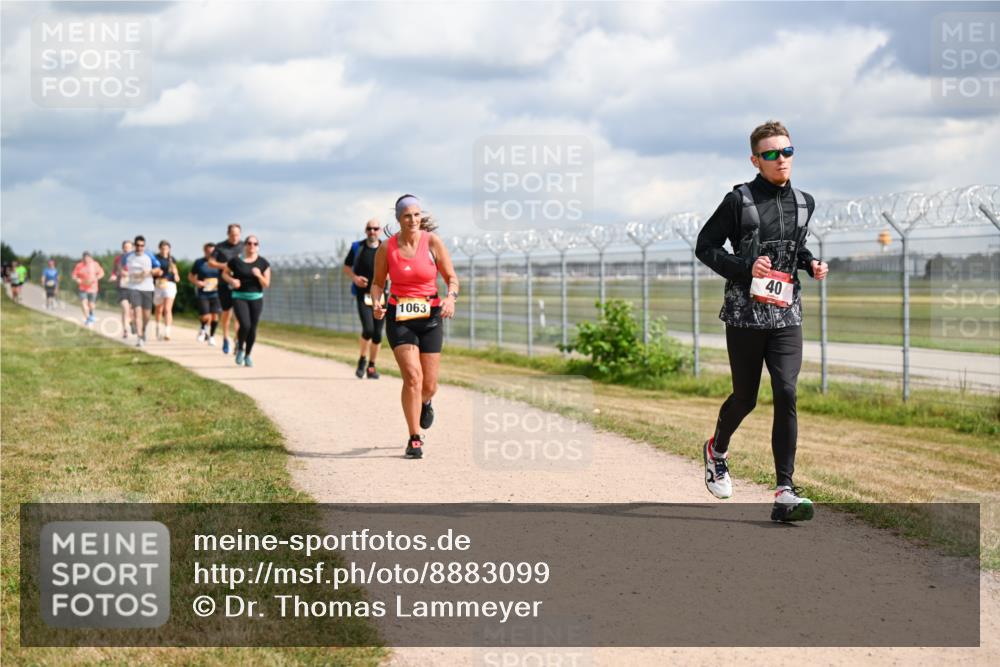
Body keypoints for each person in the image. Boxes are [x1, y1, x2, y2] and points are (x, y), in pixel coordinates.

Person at [695, 120, 829, 523]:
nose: (781, 159)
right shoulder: (739, 200)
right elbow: (706, 246)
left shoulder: (805, 202)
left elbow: (796, 245)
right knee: (746, 397)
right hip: (745, 313)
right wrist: (745, 268)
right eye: (771, 154)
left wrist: (810, 264)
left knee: (786, 391)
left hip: (787, 313)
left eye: (787, 152)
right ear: (755, 160)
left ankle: (785, 491)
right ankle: (717, 451)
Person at [371, 195, 459, 459]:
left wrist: (450, 298)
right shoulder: (387, 248)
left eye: (417, 215)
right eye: (407, 215)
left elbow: (451, 278)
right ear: (398, 219)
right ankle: (414, 437)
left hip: (430, 317)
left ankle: (425, 402)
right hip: (400, 316)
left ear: (422, 217)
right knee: (412, 377)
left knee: (429, 385)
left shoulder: (432, 243)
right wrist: (377, 302)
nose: (413, 220)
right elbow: (377, 283)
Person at [343, 219, 386, 379]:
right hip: (364, 295)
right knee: (368, 329)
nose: (372, 231)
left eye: (375, 228)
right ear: (365, 230)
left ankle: (372, 367)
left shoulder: (385, 247)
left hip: (382, 295)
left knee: (377, 334)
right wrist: (355, 278)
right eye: (369, 228)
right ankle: (362, 359)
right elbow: (346, 267)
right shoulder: (357, 247)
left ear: (380, 230)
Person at [223, 234, 270, 367]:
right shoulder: (235, 261)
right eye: (249, 243)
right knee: (245, 325)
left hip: (256, 297)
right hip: (239, 296)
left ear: (258, 247)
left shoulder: (263, 263)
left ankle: (248, 354)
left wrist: (259, 275)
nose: (252, 246)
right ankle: (240, 349)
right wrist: (231, 280)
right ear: (245, 245)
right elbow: (224, 273)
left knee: (253, 328)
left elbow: (266, 284)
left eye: (255, 244)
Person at [208, 224, 244, 355]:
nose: (235, 237)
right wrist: (225, 265)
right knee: (227, 313)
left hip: (240, 284)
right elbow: (211, 262)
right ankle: (225, 338)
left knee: (240, 314)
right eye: (232, 234)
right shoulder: (220, 247)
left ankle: (238, 340)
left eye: (237, 234)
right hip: (224, 284)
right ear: (228, 234)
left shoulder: (244, 246)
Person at [124, 236, 161, 347]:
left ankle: (143, 330)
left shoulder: (149, 256)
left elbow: (158, 269)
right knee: (137, 312)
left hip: (148, 288)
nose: (140, 247)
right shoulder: (129, 257)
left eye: (142, 245)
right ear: (134, 245)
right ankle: (140, 337)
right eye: (138, 245)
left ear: (144, 246)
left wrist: (148, 272)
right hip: (134, 288)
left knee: (147, 315)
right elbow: (122, 268)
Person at [190, 242, 223, 346]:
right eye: (208, 251)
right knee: (205, 316)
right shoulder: (199, 262)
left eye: (212, 252)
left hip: (216, 293)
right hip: (203, 293)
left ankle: (212, 336)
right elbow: (191, 276)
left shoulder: (219, 263)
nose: (210, 253)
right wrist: (196, 282)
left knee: (215, 316)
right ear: (204, 251)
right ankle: (203, 328)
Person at [152, 240, 180, 341]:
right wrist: (156, 273)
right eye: (163, 248)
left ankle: (167, 332)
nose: (165, 250)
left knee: (167, 309)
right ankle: (158, 326)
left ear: (169, 249)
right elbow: (151, 271)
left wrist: (176, 275)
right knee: (159, 309)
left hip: (170, 285)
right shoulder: (155, 259)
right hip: (159, 284)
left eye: (167, 249)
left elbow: (175, 271)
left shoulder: (171, 259)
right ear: (159, 249)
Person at [71, 252, 105, 324]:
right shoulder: (79, 265)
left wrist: (96, 278)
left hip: (93, 288)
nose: (86, 260)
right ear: (83, 258)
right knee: (83, 303)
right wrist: (77, 279)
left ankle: (91, 313)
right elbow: (74, 275)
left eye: (88, 258)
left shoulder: (95, 264)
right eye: (85, 258)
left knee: (91, 305)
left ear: (90, 258)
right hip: (83, 287)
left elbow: (101, 273)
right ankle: (88, 319)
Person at [110, 240, 135, 339]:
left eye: (129, 247)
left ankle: (132, 323)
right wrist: (113, 276)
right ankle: (125, 331)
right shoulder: (118, 259)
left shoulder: (135, 259)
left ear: (132, 248)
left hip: (133, 287)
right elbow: (114, 271)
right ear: (122, 248)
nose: (127, 249)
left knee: (132, 311)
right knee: (125, 308)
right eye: (125, 247)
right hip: (122, 287)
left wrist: (129, 274)